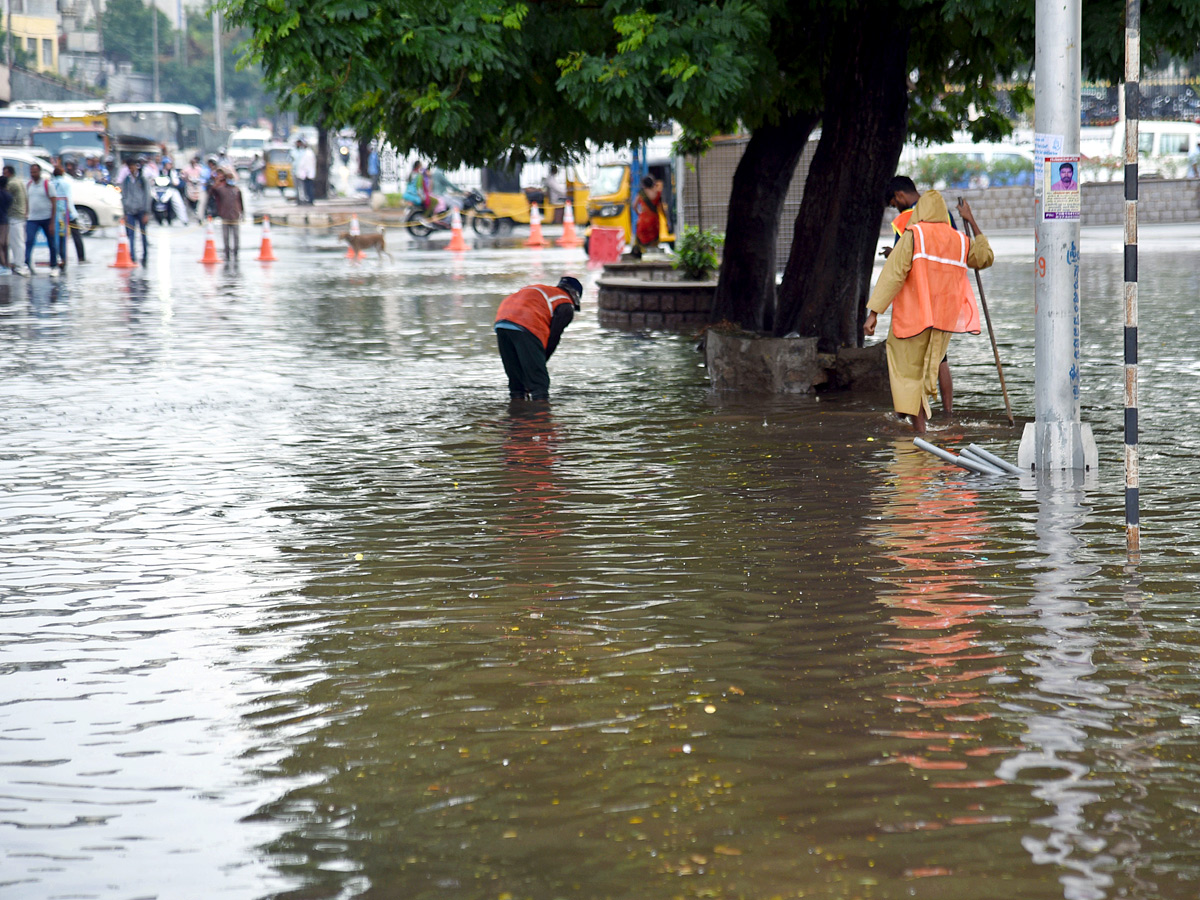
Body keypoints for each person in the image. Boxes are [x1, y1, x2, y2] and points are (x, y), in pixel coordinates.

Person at [863, 191, 993, 434]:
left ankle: (919, 430)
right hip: (944, 320)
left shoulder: (915, 235)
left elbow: (894, 273)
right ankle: (933, 416)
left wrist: (874, 314)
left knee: (906, 370)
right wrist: (971, 221)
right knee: (931, 366)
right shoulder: (960, 239)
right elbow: (985, 258)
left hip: (913, 317)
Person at [883, 175, 959, 412]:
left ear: (899, 196)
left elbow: (902, 261)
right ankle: (947, 414)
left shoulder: (906, 219)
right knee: (941, 357)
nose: (896, 207)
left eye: (894, 203)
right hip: (945, 293)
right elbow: (956, 246)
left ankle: (911, 418)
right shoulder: (945, 214)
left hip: (919, 297)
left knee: (909, 359)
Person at [493, 276, 583, 401]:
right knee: (539, 382)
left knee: (516, 381)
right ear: (575, 295)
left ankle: (516, 411)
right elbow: (553, 338)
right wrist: (538, 364)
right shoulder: (565, 304)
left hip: (502, 321)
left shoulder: (544, 291)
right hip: (525, 322)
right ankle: (540, 416)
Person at [24, 162, 59, 275]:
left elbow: (54, 203)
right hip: (32, 219)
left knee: (51, 243)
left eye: (35, 172)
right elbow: (27, 201)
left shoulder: (47, 185)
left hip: (47, 218)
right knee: (29, 241)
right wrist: (26, 214)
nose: (33, 174)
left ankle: (54, 266)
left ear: (39, 172)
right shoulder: (29, 185)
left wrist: (52, 222)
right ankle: (27, 264)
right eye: (31, 172)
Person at [51, 164, 85, 269]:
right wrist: (71, 213)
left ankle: (61, 258)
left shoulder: (51, 184)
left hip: (56, 214)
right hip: (67, 212)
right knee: (76, 236)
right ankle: (81, 257)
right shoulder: (66, 183)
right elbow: (68, 199)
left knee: (60, 237)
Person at [120, 157, 153, 266]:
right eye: (129, 167)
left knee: (143, 235)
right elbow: (123, 196)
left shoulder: (142, 179)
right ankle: (133, 257)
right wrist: (124, 212)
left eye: (132, 166)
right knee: (131, 235)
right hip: (130, 211)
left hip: (141, 211)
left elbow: (148, 196)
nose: (131, 168)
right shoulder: (126, 180)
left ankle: (145, 256)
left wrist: (147, 212)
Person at [207, 168, 244, 261]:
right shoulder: (221, 189)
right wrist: (218, 180)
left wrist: (242, 214)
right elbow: (212, 191)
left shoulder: (237, 190)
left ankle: (236, 253)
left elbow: (241, 203)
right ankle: (227, 253)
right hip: (225, 217)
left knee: (236, 236)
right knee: (226, 237)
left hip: (235, 217)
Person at [631, 175, 666, 258]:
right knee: (654, 241)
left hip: (643, 219)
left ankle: (641, 255)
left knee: (641, 239)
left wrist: (639, 213)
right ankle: (654, 257)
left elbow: (634, 206)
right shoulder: (657, 193)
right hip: (654, 220)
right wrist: (666, 220)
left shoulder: (641, 193)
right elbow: (662, 209)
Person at [4, 165, 28, 275]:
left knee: (17, 243)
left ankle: (19, 265)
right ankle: (19, 264)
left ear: (9, 173)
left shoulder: (12, 183)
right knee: (18, 242)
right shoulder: (19, 181)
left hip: (15, 216)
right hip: (20, 215)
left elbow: (3, 189)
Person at [294, 139, 317, 204]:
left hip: (307, 174)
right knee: (307, 188)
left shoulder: (308, 153)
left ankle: (310, 200)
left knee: (308, 188)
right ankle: (309, 199)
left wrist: (305, 172)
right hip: (306, 173)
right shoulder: (306, 153)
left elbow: (304, 164)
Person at [0, 175, 11, 273]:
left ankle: (3, 264)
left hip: (2, 221)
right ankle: (6, 263)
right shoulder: (8, 195)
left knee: (1, 243)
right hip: (5, 221)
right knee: (5, 243)